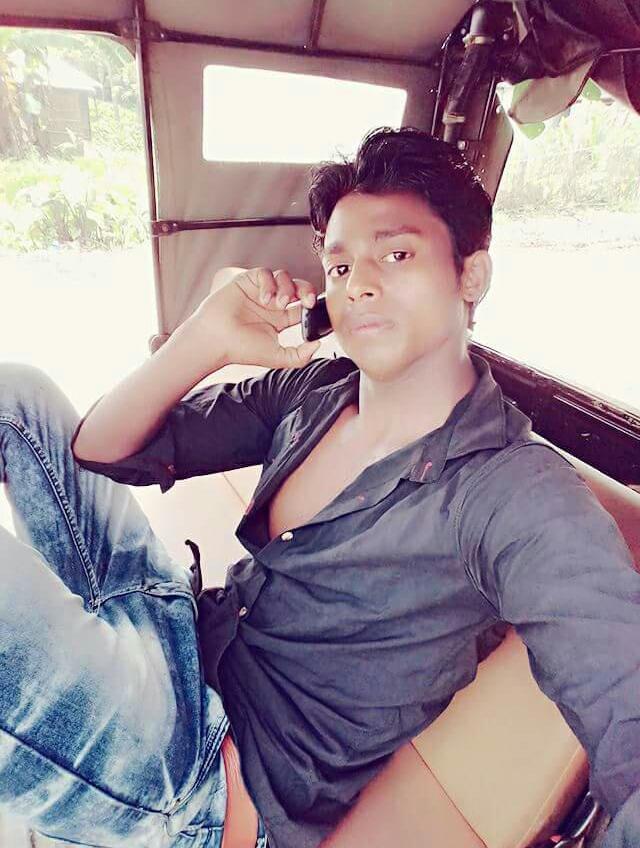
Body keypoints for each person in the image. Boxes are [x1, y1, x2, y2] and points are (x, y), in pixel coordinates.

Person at [0, 127, 638, 848]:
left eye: (396, 254)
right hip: (174, 630)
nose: (357, 283)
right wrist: (206, 337)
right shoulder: (317, 390)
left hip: (197, 773)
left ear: (470, 276)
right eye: (339, 265)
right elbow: (100, 450)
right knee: (15, 396)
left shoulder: (512, 493)